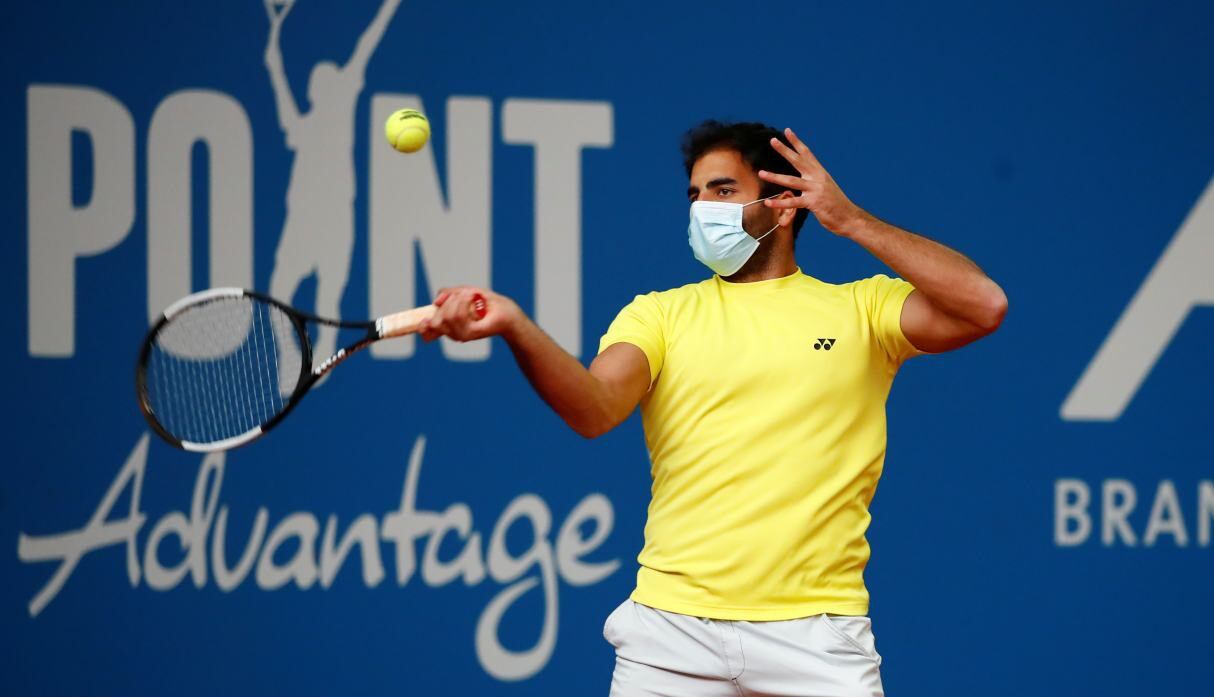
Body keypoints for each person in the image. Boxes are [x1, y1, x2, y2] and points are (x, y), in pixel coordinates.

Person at [419, 121, 1008, 696]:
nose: (703, 209)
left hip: (817, 634)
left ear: (783, 203)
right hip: (671, 635)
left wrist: (850, 221)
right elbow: (594, 409)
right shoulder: (657, 316)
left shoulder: (864, 309)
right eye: (695, 196)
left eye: (723, 191)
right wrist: (516, 325)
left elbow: (984, 304)